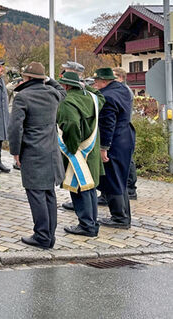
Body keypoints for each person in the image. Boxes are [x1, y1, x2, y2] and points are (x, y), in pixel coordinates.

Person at [9, 62, 66, 249]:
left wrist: (15, 152)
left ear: (27, 78)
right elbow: (61, 89)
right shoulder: (54, 94)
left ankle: (41, 236)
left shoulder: (22, 97)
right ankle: (50, 235)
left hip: (33, 151)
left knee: (36, 193)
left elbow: (15, 127)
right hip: (51, 150)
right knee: (49, 193)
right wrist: (48, 79)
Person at [56, 71, 105, 237]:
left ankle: (86, 225)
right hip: (91, 151)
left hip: (78, 151)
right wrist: (87, 86)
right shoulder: (93, 99)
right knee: (90, 188)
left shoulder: (67, 102)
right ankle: (92, 222)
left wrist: (71, 148)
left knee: (79, 189)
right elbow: (101, 96)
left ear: (67, 86)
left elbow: (70, 126)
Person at [93, 67, 136, 229]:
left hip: (115, 141)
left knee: (112, 178)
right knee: (121, 178)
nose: (95, 84)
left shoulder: (107, 97)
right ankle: (124, 215)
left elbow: (107, 125)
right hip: (126, 137)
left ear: (104, 81)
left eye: (97, 81)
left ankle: (119, 218)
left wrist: (104, 147)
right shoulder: (123, 90)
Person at [113, 67, 138, 200]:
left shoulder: (125, 91)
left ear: (121, 78)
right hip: (122, 127)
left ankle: (130, 188)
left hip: (123, 128)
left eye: (114, 77)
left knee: (128, 160)